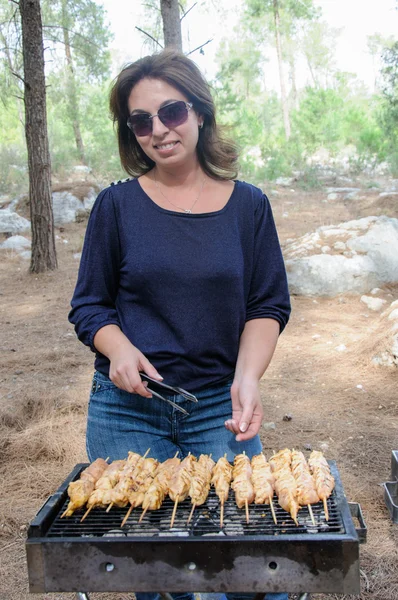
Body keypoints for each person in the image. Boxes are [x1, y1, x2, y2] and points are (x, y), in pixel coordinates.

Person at [69, 49, 291, 600]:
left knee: (234, 562)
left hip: (218, 407)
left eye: (170, 113)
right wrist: (117, 348)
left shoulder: (249, 206)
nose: (158, 131)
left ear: (198, 112)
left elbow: (267, 306)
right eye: (140, 121)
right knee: (157, 571)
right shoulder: (115, 207)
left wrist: (248, 378)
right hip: (127, 411)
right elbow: (90, 306)